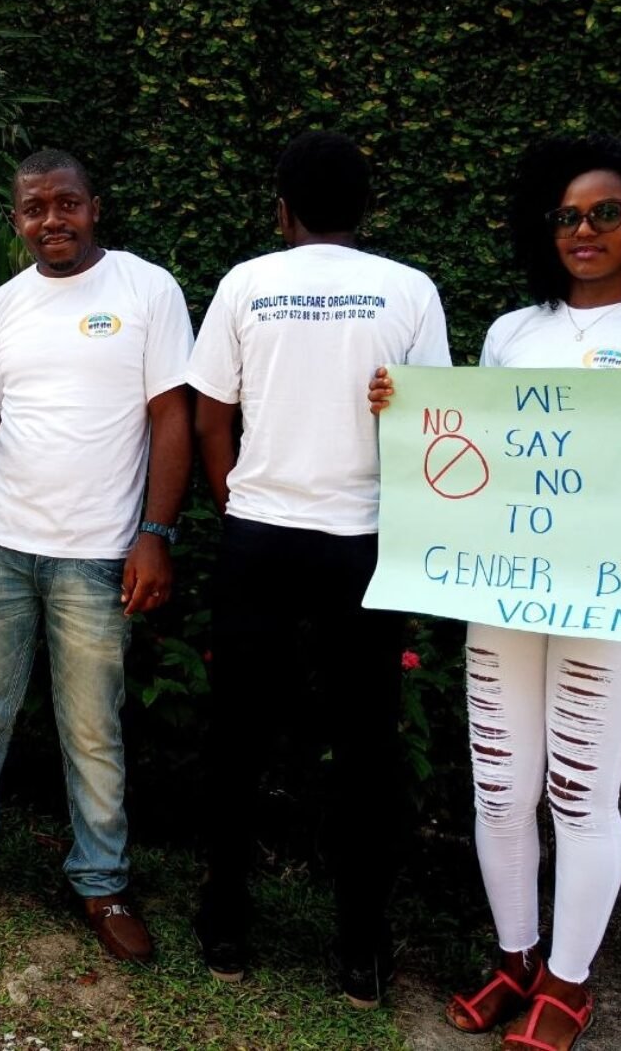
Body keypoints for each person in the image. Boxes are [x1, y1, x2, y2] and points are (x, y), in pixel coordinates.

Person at [371, 135, 621, 1051]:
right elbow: (480, 448)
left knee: (580, 793)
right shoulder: (513, 332)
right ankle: (516, 958)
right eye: (566, 215)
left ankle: (569, 983)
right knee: (499, 786)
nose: (584, 230)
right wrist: (404, 411)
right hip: (507, 588)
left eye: (606, 213)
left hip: (614, 600)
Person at [0, 149, 193, 961]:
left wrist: (155, 533)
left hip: (97, 551)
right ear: (17, 219)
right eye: (35, 208)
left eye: (67, 203)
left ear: (94, 206)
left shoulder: (146, 289)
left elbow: (171, 416)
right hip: (0, 541)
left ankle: (101, 881)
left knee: (92, 729)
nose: (52, 220)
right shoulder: (3, 304)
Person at [188, 131, 451, 999]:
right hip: (364, 541)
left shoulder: (245, 283)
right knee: (367, 744)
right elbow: (436, 421)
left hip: (258, 536)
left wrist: (237, 501)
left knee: (237, 734)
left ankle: (226, 924)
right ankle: (362, 951)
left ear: (282, 211)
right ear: (366, 210)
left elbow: (209, 415)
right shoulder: (410, 289)